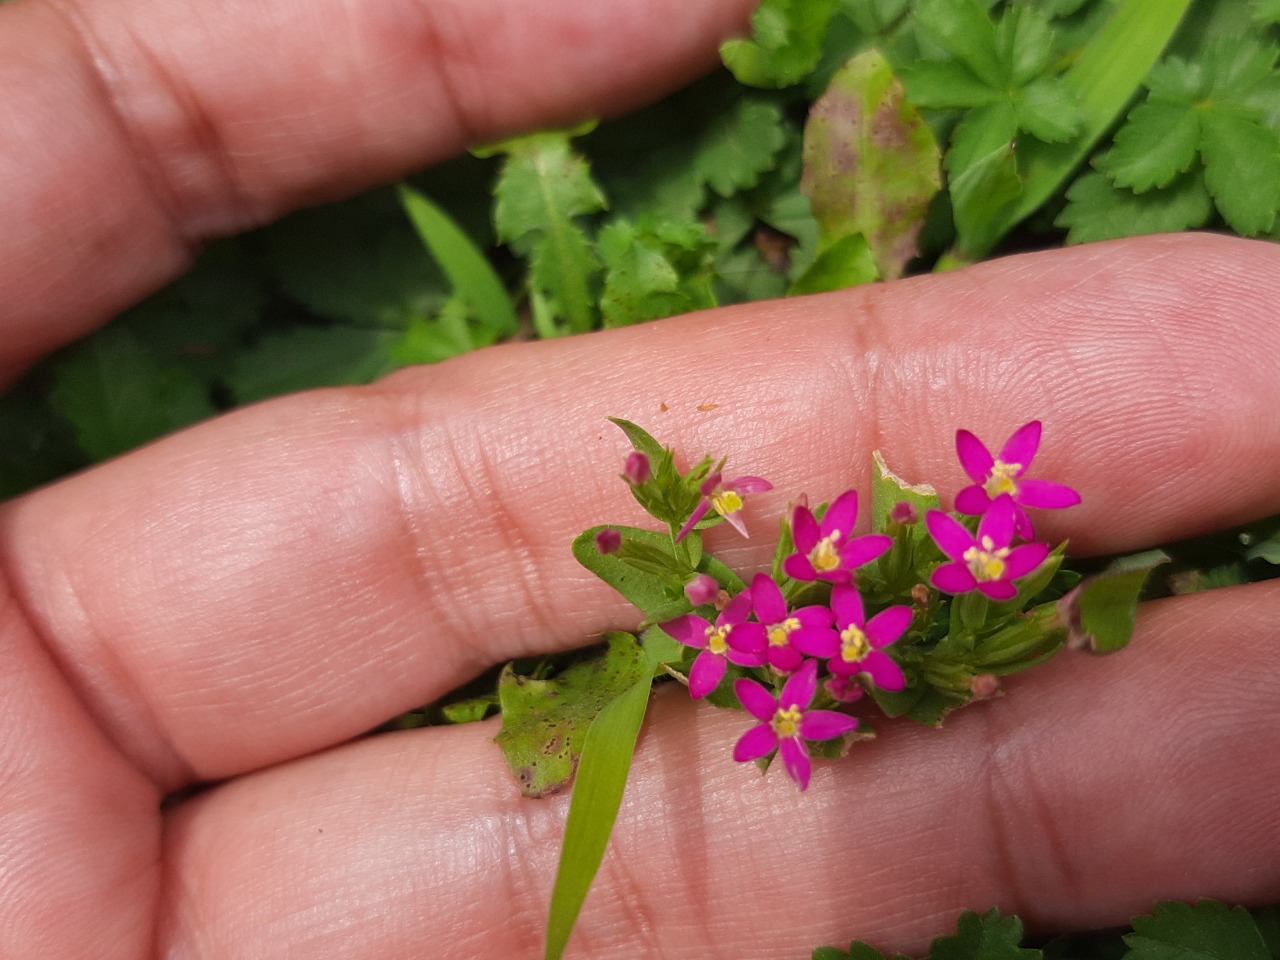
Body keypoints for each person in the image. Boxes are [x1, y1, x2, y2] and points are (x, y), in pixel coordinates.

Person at [2, 0, 1278, 957]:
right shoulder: (772, 640)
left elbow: (826, 640)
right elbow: (771, 645)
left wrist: (844, 638)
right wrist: (794, 642)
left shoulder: (845, 616)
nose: (985, 537)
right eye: (982, 541)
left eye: (990, 543)